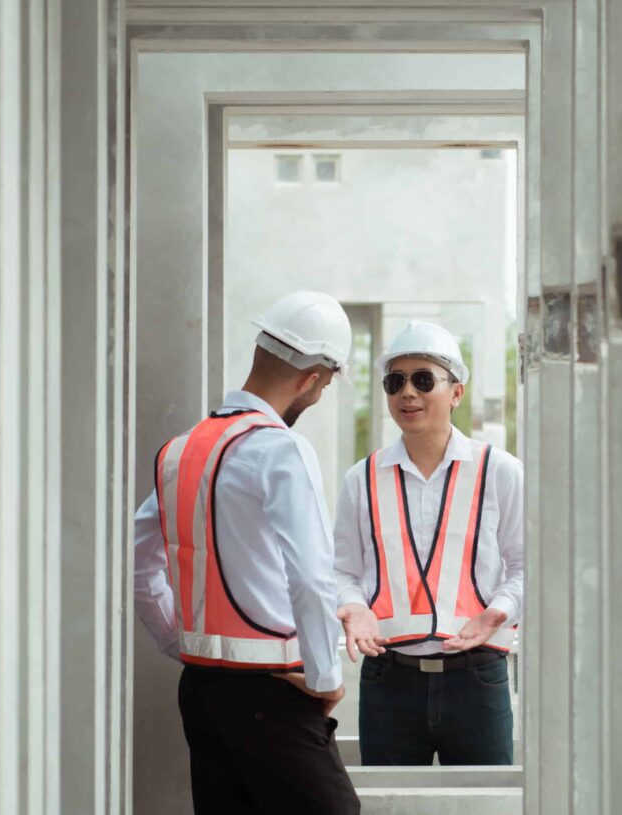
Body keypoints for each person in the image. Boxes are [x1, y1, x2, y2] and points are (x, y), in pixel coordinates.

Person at [133, 290, 360, 814]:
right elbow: (311, 576)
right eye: (324, 385)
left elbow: (137, 558)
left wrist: (176, 638)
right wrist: (326, 678)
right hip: (273, 693)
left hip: (201, 689)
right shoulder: (279, 448)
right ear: (313, 378)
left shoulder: (182, 448)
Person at [333, 320, 524, 766]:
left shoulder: (500, 471)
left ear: (456, 392)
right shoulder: (361, 478)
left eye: (423, 380)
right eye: (395, 381)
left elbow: (525, 565)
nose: (407, 394)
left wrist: (500, 611)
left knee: (485, 808)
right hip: (388, 680)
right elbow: (341, 569)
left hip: (477, 677)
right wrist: (354, 606)